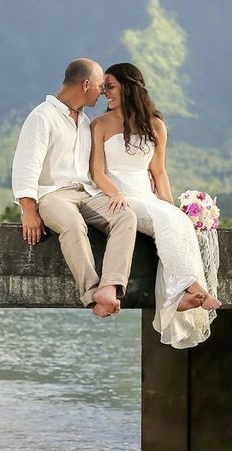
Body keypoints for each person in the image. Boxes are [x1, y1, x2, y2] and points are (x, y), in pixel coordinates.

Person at [89, 62, 220, 348]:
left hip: (146, 196)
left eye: (109, 86)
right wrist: (115, 193)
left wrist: (172, 208)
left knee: (175, 221)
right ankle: (192, 287)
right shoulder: (99, 124)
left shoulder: (156, 125)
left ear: (128, 85)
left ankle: (179, 297)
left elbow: (159, 172)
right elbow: (96, 172)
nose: (104, 93)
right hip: (117, 197)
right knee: (163, 220)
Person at [11, 58, 137, 317]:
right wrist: (29, 210)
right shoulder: (42, 117)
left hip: (86, 193)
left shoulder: (84, 121)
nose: (103, 91)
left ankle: (110, 287)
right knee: (73, 224)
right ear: (86, 84)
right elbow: (26, 165)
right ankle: (92, 294)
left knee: (125, 216)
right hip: (52, 194)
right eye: (101, 85)